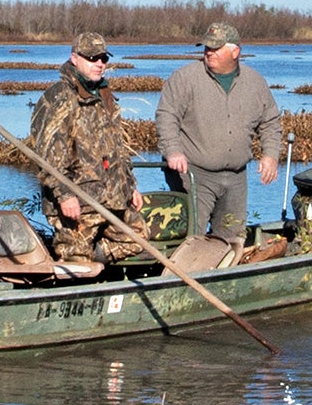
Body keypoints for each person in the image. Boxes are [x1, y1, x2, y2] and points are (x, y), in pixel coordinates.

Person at [155, 20, 283, 243]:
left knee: (232, 239)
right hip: (194, 175)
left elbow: (270, 121)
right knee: (190, 238)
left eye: (215, 48)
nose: (209, 53)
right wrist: (173, 151)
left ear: (235, 52)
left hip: (236, 178)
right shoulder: (185, 78)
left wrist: (271, 155)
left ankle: (223, 275)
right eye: (207, 47)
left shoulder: (255, 82)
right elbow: (166, 117)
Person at [29, 32, 148, 262]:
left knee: (139, 238)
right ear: (74, 58)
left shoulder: (105, 96)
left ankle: (97, 264)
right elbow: (47, 156)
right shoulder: (59, 97)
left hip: (112, 198)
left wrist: (130, 185)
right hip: (78, 202)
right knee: (76, 260)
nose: (100, 64)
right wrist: (64, 196)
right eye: (92, 58)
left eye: (103, 58)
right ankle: (73, 284)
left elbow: (117, 147)